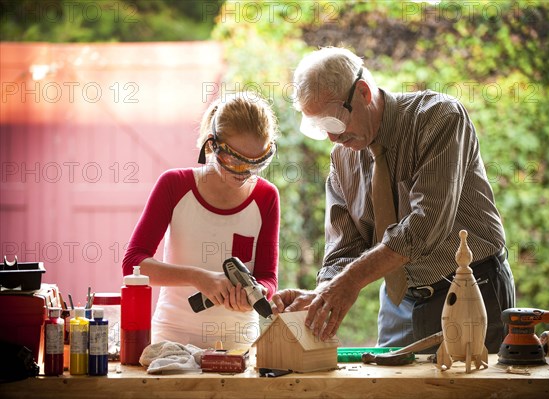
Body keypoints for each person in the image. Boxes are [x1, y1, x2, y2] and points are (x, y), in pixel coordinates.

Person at [272, 47, 515, 353]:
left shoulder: (438, 118)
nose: (333, 138)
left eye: (333, 122)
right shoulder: (342, 160)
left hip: (472, 289)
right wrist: (322, 294)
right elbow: (343, 249)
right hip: (399, 303)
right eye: (320, 129)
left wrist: (348, 282)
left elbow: (423, 227)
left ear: (362, 92)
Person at [123, 92, 280, 349]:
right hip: (173, 339)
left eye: (258, 162)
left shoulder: (266, 197)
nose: (245, 173)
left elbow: (267, 278)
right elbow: (133, 265)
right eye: (235, 161)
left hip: (238, 343)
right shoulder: (174, 185)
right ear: (211, 145)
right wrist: (199, 278)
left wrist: (258, 292)